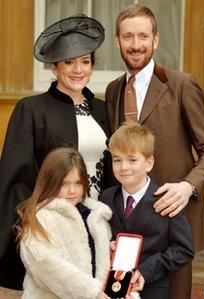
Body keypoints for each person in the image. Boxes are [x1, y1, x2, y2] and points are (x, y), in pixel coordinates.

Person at [105, 4, 204, 299]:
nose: (136, 45)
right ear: (117, 41)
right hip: (128, 229)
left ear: (155, 40)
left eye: (143, 36)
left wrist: (188, 187)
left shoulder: (182, 85)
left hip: (173, 224)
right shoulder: (112, 90)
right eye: (128, 37)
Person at [0, 15, 112, 291]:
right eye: (69, 62)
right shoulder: (31, 109)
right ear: (54, 67)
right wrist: (31, 227)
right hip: (54, 228)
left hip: (98, 224)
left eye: (85, 61)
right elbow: (15, 177)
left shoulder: (102, 109)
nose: (78, 70)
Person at [100, 122, 195, 299]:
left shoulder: (167, 199)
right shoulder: (106, 197)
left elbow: (184, 249)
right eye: (117, 160)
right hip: (112, 287)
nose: (123, 167)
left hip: (152, 289)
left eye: (132, 160)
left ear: (149, 163)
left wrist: (146, 270)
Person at [16, 147, 112, 299]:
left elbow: (101, 265)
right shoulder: (41, 218)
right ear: (50, 183)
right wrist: (91, 292)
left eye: (78, 183)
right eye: (64, 184)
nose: (72, 191)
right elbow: (45, 265)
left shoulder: (95, 217)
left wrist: (111, 251)